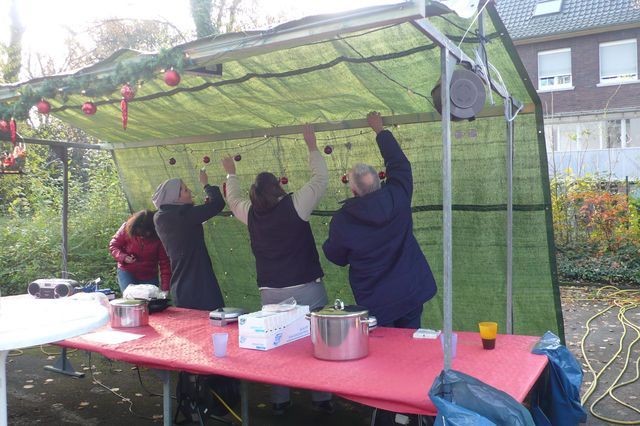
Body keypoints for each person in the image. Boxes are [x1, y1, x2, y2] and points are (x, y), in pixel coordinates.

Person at [322, 112, 437, 425]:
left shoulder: (344, 220)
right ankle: (410, 410)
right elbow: (401, 165)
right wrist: (380, 131)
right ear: (380, 180)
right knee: (410, 350)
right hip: (410, 291)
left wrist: (332, 243)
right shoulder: (398, 195)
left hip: (377, 301)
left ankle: (388, 411)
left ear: (353, 190)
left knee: (385, 359)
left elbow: (336, 256)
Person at [222, 124, 334, 415]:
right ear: (278, 187)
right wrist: (311, 146)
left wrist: (231, 174)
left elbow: (232, 199)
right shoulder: (296, 204)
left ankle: (279, 401)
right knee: (315, 341)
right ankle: (321, 399)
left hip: (271, 291)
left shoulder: (251, 213)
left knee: (277, 344)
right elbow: (321, 178)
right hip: (307, 287)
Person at [152, 171, 226, 311]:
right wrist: (206, 184)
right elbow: (218, 204)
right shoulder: (183, 215)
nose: (190, 192)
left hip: (181, 285)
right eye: (185, 190)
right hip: (199, 285)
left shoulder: (160, 217)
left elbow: (186, 227)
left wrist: (202, 210)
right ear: (176, 198)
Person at [109, 209, 171, 293]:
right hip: (127, 271)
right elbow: (114, 246)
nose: (141, 237)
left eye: (144, 234)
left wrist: (165, 288)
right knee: (130, 297)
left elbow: (165, 264)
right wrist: (124, 257)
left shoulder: (160, 238)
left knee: (150, 298)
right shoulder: (126, 227)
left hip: (149, 275)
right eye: (138, 234)